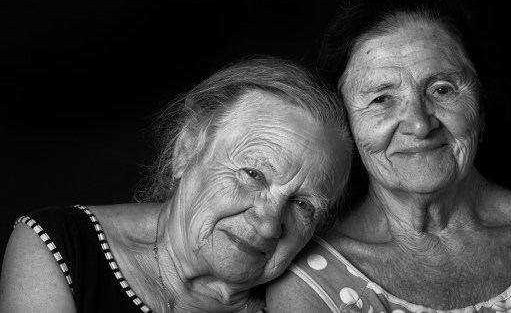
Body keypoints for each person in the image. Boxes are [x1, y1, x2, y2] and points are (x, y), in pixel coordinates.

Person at [266, 0, 511, 313]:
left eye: (442, 90)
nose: (420, 124)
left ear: (480, 110)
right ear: (348, 128)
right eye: (381, 99)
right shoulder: (309, 281)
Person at [0, 55, 352, 313]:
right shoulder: (61, 245)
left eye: (303, 204)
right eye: (253, 174)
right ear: (186, 149)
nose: (270, 222)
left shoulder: (316, 298)